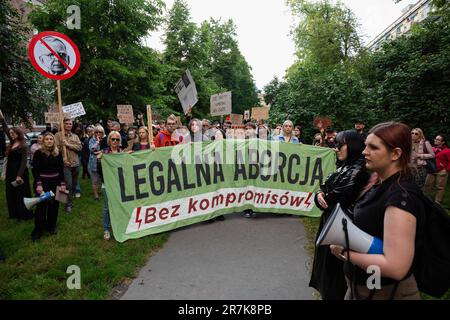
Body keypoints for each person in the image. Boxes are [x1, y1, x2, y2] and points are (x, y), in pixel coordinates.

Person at [330, 122, 425, 300]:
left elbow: (396, 267)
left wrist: (344, 253)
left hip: (385, 292)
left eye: (373, 147)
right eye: (365, 145)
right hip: (364, 287)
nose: (365, 151)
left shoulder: (400, 198)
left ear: (396, 154)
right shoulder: (381, 183)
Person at [309, 130, 370, 300]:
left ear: (352, 145)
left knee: (335, 276)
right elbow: (324, 188)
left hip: (341, 230)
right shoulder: (345, 166)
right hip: (331, 224)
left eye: (339, 144)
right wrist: (320, 193)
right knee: (326, 272)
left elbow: (334, 197)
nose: (336, 149)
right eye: (334, 145)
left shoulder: (357, 171)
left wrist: (323, 194)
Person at [31, 132, 66, 241]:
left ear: (54, 141)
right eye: (47, 139)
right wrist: (39, 184)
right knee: (41, 207)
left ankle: (51, 227)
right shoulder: (38, 153)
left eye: (51, 139)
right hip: (43, 183)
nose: (49, 141)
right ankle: (38, 231)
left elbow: (61, 170)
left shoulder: (58, 153)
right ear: (43, 141)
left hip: (55, 183)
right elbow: (35, 170)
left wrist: (63, 184)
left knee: (54, 207)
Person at [0, 110, 33, 220]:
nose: (11, 135)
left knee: (20, 193)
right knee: (11, 192)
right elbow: (5, 128)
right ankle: (14, 214)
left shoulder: (23, 145)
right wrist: (2, 117)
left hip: (20, 172)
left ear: (18, 133)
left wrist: (19, 175)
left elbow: (24, 162)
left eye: (13, 133)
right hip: (10, 171)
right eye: (10, 134)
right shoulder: (13, 141)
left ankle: (23, 214)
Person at [97, 131, 123, 240]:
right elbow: (99, 171)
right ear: (109, 140)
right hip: (107, 184)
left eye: (117, 139)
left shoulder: (122, 152)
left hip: (120, 184)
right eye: (113, 139)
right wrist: (99, 161)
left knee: (120, 205)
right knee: (107, 207)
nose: (115, 141)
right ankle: (106, 229)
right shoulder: (104, 153)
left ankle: (120, 225)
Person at [54, 117, 82, 213]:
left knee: (73, 185)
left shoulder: (75, 136)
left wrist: (68, 145)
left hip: (76, 163)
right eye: (67, 123)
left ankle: (68, 199)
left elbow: (79, 147)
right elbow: (55, 149)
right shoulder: (58, 135)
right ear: (63, 125)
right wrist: (62, 146)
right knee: (67, 184)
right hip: (65, 164)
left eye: (70, 124)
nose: (69, 125)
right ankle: (67, 204)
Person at [423, 134, 450, 204]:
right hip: (431, 170)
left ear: (443, 142)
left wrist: (446, 170)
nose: (435, 140)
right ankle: (425, 199)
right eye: (435, 139)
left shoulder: (447, 150)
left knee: (440, 187)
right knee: (427, 185)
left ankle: (437, 202)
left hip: (441, 171)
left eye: (438, 139)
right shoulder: (432, 148)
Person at [88, 126, 104, 201]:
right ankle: (96, 195)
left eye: (100, 132)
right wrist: (97, 142)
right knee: (95, 180)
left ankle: (101, 192)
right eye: (96, 132)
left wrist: (99, 152)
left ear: (102, 133)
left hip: (104, 162)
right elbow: (92, 150)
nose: (98, 134)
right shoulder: (92, 140)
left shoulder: (105, 139)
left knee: (103, 179)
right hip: (94, 163)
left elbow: (107, 149)